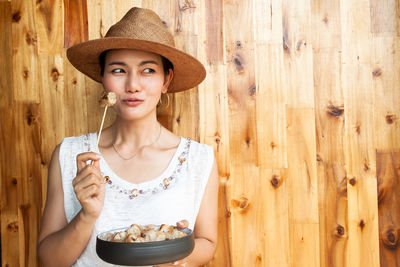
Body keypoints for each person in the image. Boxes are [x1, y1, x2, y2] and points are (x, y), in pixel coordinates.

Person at [37, 7, 218, 267]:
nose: (133, 85)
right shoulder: (70, 155)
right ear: (102, 77)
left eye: (148, 71)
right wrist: (87, 215)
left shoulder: (199, 160)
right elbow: (50, 260)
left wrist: (179, 254)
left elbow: (208, 242)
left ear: (166, 80)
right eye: (119, 70)